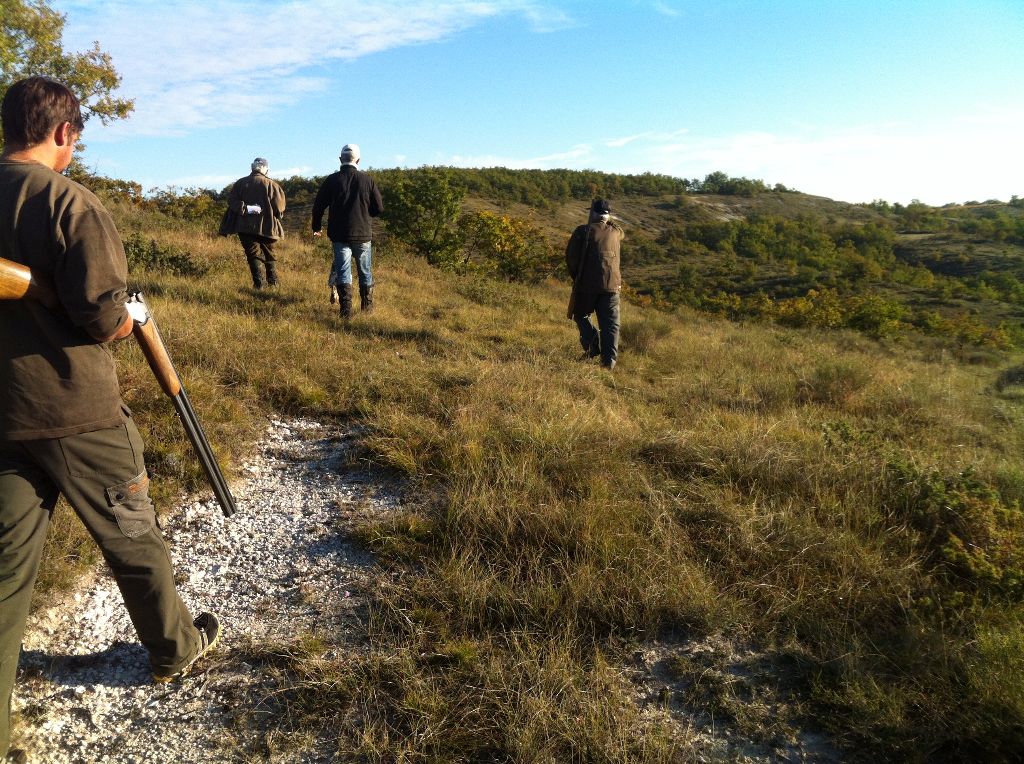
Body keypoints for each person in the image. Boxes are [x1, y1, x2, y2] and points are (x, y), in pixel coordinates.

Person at [0, 77, 219, 763]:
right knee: (134, 538)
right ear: (62, 132)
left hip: (3, 413)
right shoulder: (71, 203)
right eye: (78, 139)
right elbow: (99, 317)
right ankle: (174, 648)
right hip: (77, 410)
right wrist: (128, 321)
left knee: (3, 572)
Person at [311, 143, 384, 318]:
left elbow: (318, 207)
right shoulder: (368, 180)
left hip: (339, 235)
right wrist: (367, 214)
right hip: (362, 233)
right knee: (365, 271)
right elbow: (379, 208)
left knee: (344, 272)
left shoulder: (331, 180)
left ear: (340, 160)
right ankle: (367, 309)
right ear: (358, 160)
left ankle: (346, 312)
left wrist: (316, 227)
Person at [565, 198, 625, 370]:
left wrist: (577, 277)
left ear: (592, 213)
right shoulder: (616, 232)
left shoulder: (582, 231)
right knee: (611, 325)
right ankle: (608, 363)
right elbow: (619, 230)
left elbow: (571, 258)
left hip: (587, 285)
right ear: (608, 215)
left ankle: (593, 347)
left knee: (581, 314)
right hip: (613, 286)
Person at [218, 157, 286, 289]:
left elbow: (232, 201)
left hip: (245, 226)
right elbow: (280, 207)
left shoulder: (240, 183)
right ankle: (273, 282)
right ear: (265, 169)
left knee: (252, 254)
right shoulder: (272, 185)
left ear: (252, 167)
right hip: (267, 226)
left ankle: (259, 284)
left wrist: (245, 208)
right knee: (269, 253)